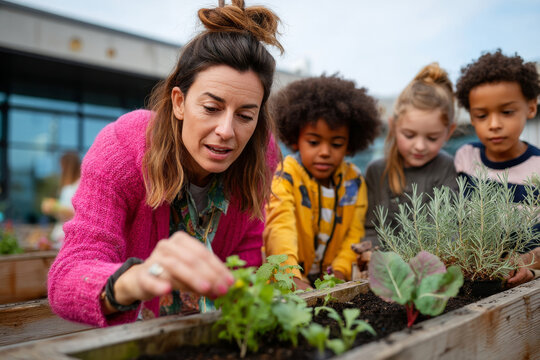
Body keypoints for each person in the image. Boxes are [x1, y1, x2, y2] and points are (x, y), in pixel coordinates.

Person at [48, 0, 282, 327]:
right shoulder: (122, 149)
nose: (227, 131)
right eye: (211, 108)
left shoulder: (261, 155)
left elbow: (247, 256)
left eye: (245, 115)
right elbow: (68, 276)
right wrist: (139, 279)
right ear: (179, 102)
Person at [263, 75, 381, 290]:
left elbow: (353, 235)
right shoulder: (286, 175)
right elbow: (280, 227)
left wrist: (338, 273)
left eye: (336, 144)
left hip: (331, 281)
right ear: (295, 138)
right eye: (314, 142)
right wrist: (291, 276)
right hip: (288, 284)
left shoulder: (353, 182)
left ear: (350, 144)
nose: (325, 152)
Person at [454, 50, 540, 286]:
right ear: (471, 117)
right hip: (472, 280)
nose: (494, 125)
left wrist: (525, 262)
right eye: (482, 115)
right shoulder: (465, 157)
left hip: (524, 285)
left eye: (507, 112)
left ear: (531, 108)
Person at [363, 63, 458, 247]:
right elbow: (370, 231)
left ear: (450, 131)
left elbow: (447, 232)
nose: (420, 146)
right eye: (409, 135)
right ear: (393, 126)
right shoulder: (376, 172)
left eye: (432, 138)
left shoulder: (446, 166)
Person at [41, 151, 81, 249]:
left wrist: (55, 207)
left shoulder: (79, 184)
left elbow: (76, 212)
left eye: (62, 166)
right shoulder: (67, 185)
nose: (61, 169)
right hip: (61, 234)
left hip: (70, 235)